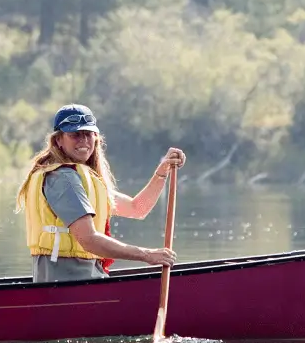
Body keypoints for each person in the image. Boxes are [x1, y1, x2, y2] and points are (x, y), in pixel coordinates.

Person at [15, 104, 183, 283]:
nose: (83, 141)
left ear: (95, 138)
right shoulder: (62, 178)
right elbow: (88, 239)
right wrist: (147, 255)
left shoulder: (79, 178)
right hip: (68, 280)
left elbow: (137, 208)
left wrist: (162, 171)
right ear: (58, 140)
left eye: (88, 134)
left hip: (87, 275)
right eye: (75, 135)